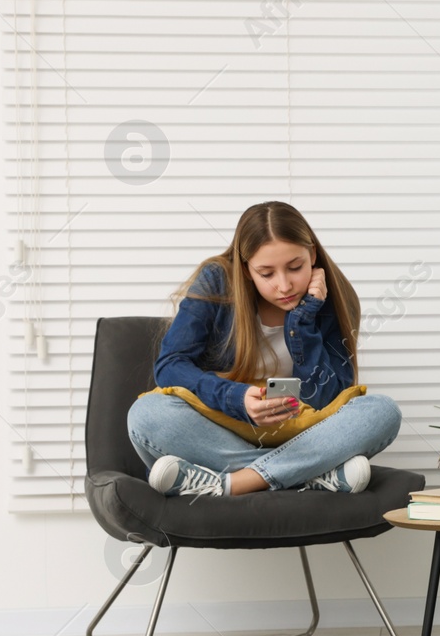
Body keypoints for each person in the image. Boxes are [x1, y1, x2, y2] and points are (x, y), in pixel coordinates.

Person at [126, 201, 402, 498]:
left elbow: (327, 398)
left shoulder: (334, 299)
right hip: (222, 431)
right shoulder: (217, 280)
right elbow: (170, 366)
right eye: (266, 274)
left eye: (295, 267)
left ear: (312, 255)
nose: (284, 285)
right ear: (246, 270)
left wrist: (304, 320)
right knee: (146, 414)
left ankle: (230, 483)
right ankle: (308, 476)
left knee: (383, 411)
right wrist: (236, 398)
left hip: (302, 432)